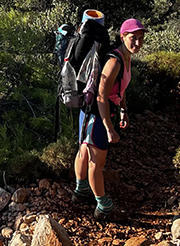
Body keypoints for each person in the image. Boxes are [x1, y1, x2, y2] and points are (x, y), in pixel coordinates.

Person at [71, 18, 147, 222]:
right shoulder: (114, 61)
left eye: (141, 39)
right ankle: (103, 206)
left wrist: (124, 110)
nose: (137, 43)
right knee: (97, 162)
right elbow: (101, 96)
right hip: (97, 115)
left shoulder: (126, 57)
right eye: (133, 38)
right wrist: (108, 128)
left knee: (85, 152)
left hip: (91, 114)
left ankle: (80, 192)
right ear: (123, 36)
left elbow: (120, 89)